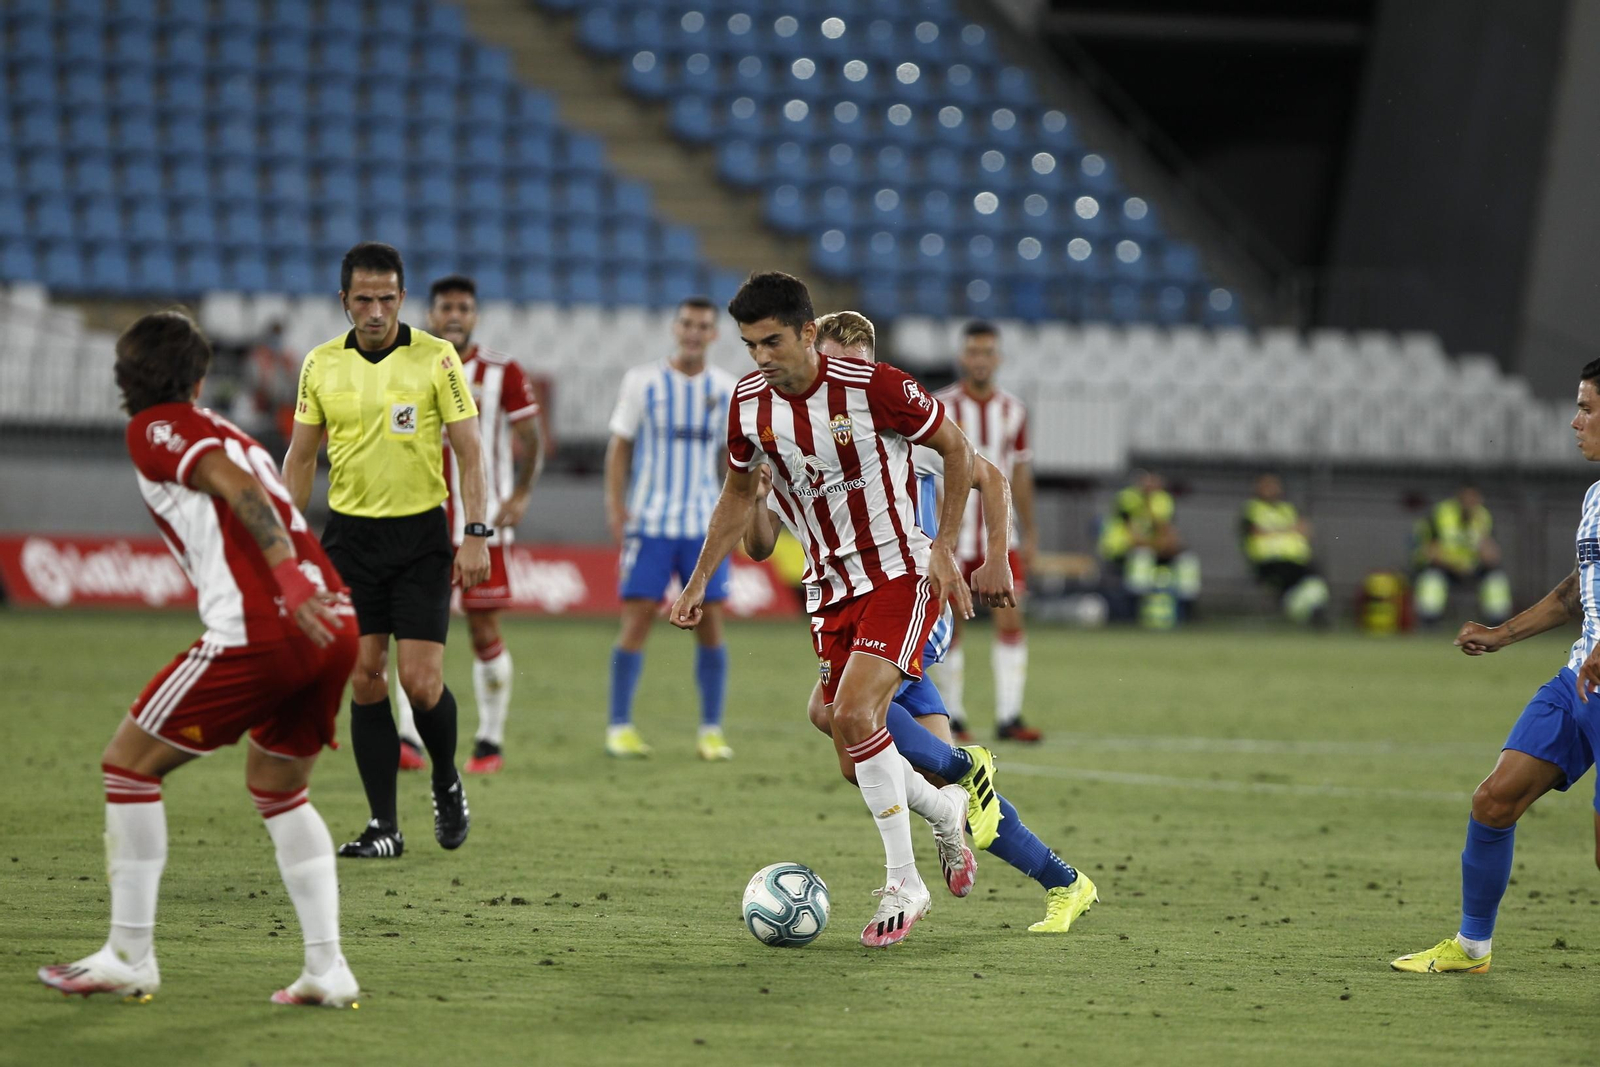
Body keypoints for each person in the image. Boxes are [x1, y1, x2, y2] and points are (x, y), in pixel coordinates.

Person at [39, 311, 361, 1007]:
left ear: (125, 377)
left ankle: (129, 955)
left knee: (128, 764)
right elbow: (251, 484)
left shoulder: (156, 426)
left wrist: (284, 575)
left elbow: (238, 488)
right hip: (333, 620)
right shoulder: (226, 428)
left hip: (267, 624)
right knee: (279, 787)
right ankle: (327, 968)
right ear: (200, 376)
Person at [742, 311, 1097, 933]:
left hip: (911, 596)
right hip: (846, 604)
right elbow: (760, 542)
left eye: (856, 367)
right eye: (836, 366)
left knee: (835, 713)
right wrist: (756, 495)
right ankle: (1062, 880)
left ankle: (956, 787)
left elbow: (989, 475)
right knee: (889, 767)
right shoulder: (793, 440)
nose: (845, 381)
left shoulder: (890, 429)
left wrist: (994, 555)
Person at [669, 272, 977, 948]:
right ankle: (944, 808)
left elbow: (957, 448)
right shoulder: (748, 403)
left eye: (772, 342)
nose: (761, 358)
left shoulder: (876, 388)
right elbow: (737, 496)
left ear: (808, 333)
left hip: (899, 573)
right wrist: (698, 580)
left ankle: (905, 882)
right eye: (750, 345)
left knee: (857, 715)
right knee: (853, 754)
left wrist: (945, 546)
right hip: (830, 591)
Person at [282, 242, 491, 860]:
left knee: (420, 684)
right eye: (363, 299)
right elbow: (300, 459)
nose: (375, 311)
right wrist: (287, 545)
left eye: (386, 298)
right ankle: (384, 827)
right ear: (343, 301)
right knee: (364, 678)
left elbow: (470, 452)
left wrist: (475, 533)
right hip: (349, 541)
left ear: (402, 297)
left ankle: (446, 779)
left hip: (421, 539)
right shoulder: (320, 364)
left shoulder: (437, 358)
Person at [1391, 361, 1600, 974]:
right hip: (1579, 683)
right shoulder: (1596, 496)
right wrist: (1501, 634)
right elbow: (1576, 592)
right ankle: (1472, 947)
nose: (1575, 421)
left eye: (1587, 408)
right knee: (1494, 800)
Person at [393, 275, 543, 776]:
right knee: (413, 630)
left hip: (482, 523)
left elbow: (531, 438)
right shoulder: (405, 365)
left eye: (463, 308)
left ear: (475, 315)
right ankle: (408, 738)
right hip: (418, 521)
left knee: (483, 629)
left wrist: (520, 493)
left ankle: (489, 741)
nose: (454, 316)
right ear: (430, 314)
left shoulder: (503, 371)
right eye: (446, 307)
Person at [603, 297, 738, 760]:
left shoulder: (726, 388)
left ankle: (711, 731)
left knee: (711, 625)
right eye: (687, 324)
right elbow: (620, 447)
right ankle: (619, 727)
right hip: (651, 522)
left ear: (713, 334)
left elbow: (734, 459)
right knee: (637, 620)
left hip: (704, 527)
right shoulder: (642, 382)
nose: (694, 332)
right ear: (675, 328)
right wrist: (616, 507)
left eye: (703, 325)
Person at [929, 321, 1041, 744]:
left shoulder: (1014, 410)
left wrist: (1030, 530)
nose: (980, 360)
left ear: (999, 358)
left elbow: (1020, 474)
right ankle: (954, 716)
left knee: (1010, 616)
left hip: (999, 537)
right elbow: (927, 471)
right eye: (973, 352)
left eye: (987, 352)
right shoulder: (940, 407)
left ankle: (1009, 716)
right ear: (962, 357)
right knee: (951, 622)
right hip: (952, 536)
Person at [1098, 469, 1201, 621]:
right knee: (1142, 557)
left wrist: (1169, 546)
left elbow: (1166, 529)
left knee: (1187, 560)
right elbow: (1133, 535)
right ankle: (1134, 607)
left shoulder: (1162, 499)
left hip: (1154, 549)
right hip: (1121, 549)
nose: (1152, 483)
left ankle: (1185, 608)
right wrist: (1157, 545)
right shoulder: (1128, 498)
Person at [1413, 485, 1512, 627]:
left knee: (1495, 577)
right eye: (1469, 498)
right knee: (1432, 578)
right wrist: (1456, 566)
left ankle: (1498, 623)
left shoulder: (1483, 516)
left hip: (1473, 567)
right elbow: (1431, 551)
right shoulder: (1441, 513)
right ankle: (1429, 623)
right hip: (1446, 567)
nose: (1472, 503)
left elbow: (1492, 553)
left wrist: (1486, 554)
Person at [1240, 473, 1331, 626]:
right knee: (1293, 580)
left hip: (1296, 560)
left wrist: (1276, 529)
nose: (1271, 489)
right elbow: (1255, 531)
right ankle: (1304, 611)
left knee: (1314, 576)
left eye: (1274, 486)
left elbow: (1306, 529)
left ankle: (1312, 610)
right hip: (1268, 561)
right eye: (1266, 486)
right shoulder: (1252, 508)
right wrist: (1289, 529)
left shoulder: (1287, 508)